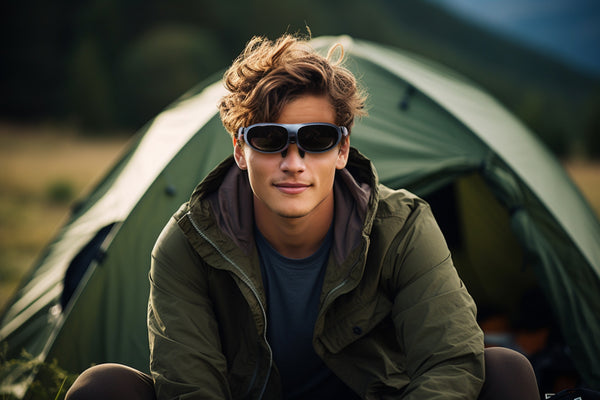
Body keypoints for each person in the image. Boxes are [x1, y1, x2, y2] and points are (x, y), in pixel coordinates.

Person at [66, 33, 540, 399]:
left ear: (341, 150)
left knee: (506, 370)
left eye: (315, 140)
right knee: (103, 387)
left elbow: (450, 360)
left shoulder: (403, 228)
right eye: (270, 140)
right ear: (239, 150)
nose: (293, 162)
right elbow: (190, 389)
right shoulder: (189, 244)